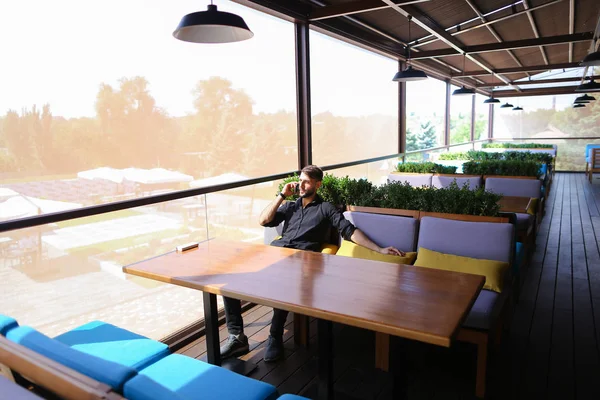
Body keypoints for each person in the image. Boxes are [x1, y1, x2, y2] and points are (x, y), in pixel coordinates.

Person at [220, 165, 404, 362]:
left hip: (299, 261)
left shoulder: (325, 208)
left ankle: (275, 336)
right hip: (275, 253)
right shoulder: (290, 206)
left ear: (318, 184)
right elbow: (263, 220)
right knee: (230, 280)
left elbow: (348, 231)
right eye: (300, 180)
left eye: (306, 181)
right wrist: (282, 195)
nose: (301, 185)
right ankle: (237, 337)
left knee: (285, 283)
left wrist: (380, 249)